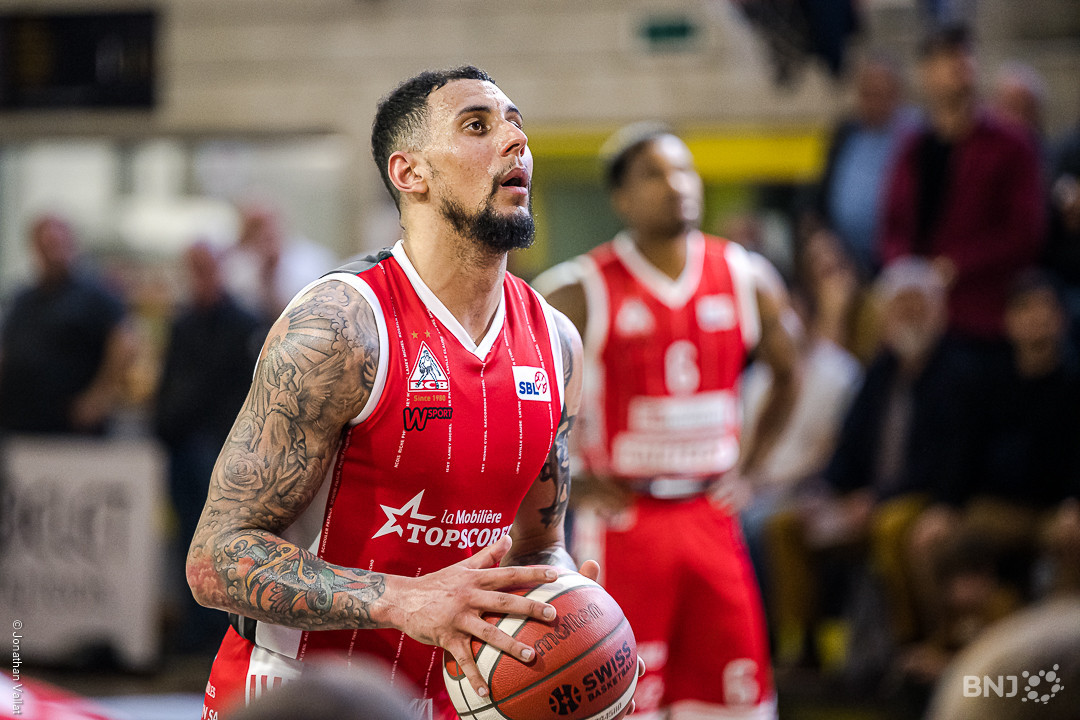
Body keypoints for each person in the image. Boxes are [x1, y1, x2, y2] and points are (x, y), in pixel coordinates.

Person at [187, 66, 640, 720]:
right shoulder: (340, 326)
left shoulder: (555, 341)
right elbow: (215, 557)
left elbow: (539, 545)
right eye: (477, 126)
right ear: (410, 173)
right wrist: (404, 600)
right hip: (302, 693)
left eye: (517, 125)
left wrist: (575, 623)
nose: (516, 141)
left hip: (460, 697)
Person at [536, 124, 799, 718]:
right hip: (625, 519)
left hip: (712, 511)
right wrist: (568, 481)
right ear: (621, 198)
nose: (676, 184)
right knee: (623, 702)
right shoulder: (578, 288)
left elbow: (791, 372)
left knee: (738, 701)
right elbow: (519, 397)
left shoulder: (745, 275)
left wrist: (752, 468)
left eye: (684, 170)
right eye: (654, 174)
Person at [879, 24, 1045, 354]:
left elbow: (1025, 233)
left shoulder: (1011, 145)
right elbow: (892, 226)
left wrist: (956, 266)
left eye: (964, 54)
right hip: (921, 322)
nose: (960, 64)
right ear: (926, 72)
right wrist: (908, 273)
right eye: (947, 56)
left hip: (983, 319)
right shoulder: (913, 148)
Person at [154, 241, 262, 654]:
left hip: (220, 451)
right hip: (184, 446)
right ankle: (196, 627)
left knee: (219, 543)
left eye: (206, 266)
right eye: (194, 267)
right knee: (187, 538)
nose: (200, 276)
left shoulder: (244, 322)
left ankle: (219, 630)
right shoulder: (183, 323)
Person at [0, 214, 134, 435]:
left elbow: (126, 343)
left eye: (57, 244)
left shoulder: (95, 294)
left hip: (71, 426)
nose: (53, 253)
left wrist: (99, 397)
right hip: (21, 420)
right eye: (46, 245)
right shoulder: (23, 298)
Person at [814, 53, 917, 276]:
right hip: (844, 258)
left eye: (880, 94)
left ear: (897, 93)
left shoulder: (915, 137)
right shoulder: (846, 132)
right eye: (867, 94)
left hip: (896, 258)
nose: (873, 102)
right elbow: (819, 194)